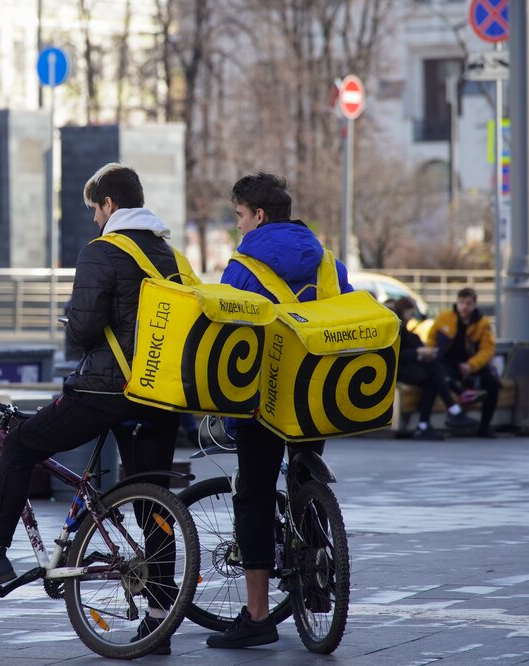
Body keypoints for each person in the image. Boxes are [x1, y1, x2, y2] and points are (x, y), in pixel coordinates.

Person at [0, 163, 185, 654]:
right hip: (160, 393)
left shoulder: (104, 250)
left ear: (110, 206)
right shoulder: (166, 252)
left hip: (108, 389)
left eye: (96, 210)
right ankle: (160, 619)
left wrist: (73, 322)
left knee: (22, 443)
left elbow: (82, 329)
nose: (95, 220)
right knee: (152, 500)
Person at [207, 173, 352, 650]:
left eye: (240, 216)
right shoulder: (328, 263)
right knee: (302, 476)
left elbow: (228, 336)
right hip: (317, 396)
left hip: (260, 405)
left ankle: (257, 614)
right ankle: (315, 580)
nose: (239, 226)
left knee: (253, 493)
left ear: (259, 215)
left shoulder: (244, 266)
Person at [392, 297, 477, 440]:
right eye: (410, 314)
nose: (412, 318)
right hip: (397, 370)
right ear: (402, 311)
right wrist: (418, 353)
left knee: (432, 379)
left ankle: (424, 425)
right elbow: (395, 354)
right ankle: (452, 408)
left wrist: (423, 353)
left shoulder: (406, 329)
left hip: (407, 367)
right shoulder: (395, 328)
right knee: (433, 371)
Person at [427, 287, 500, 438]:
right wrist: (431, 354)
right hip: (447, 363)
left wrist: (471, 365)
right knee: (442, 378)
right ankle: (458, 408)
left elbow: (487, 350)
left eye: (468, 303)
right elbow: (431, 339)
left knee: (493, 383)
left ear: (474, 305)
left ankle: (484, 426)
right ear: (457, 302)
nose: (464, 307)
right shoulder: (444, 318)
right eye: (461, 303)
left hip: (470, 363)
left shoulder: (482, 324)